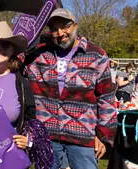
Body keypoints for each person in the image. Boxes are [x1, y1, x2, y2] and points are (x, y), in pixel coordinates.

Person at [23, 8, 117, 169]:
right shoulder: (38, 54)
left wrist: (103, 135)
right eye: (54, 29)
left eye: (65, 26)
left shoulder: (96, 55)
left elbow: (106, 98)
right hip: (47, 135)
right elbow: (13, 63)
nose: (60, 33)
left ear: (75, 26)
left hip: (83, 136)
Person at [0, 21, 53, 168]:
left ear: (12, 50)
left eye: (5, 45)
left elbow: (30, 118)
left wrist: (27, 139)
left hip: (8, 155)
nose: (0, 49)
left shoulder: (22, 83)